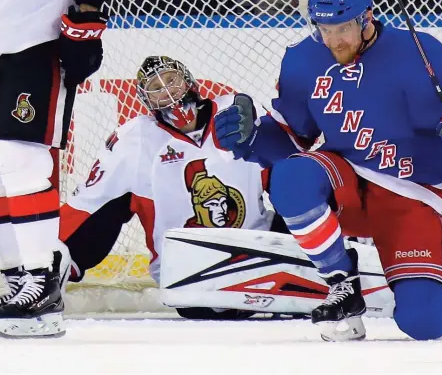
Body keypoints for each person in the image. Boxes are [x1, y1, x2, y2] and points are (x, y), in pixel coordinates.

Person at [214, 0, 442, 341]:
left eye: (342, 28)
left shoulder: (419, 51)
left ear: (367, 17)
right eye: (323, 28)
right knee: (290, 177)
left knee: (422, 320)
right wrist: (251, 138)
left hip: (411, 192)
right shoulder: (303, 59)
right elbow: (293, 138)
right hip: (345, 177)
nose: (332, 39)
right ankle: (342, 285)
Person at [0, 0, 123, 338]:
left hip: (37, 31)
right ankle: (14, 279)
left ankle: (42, 282)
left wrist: (87, 14)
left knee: (20, 157)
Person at [58, 56, 280, 320]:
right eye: (155, 88)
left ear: (188, 80)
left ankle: (332, 262)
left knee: (295, 177)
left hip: (262, 254)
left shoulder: (235, 114)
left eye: (171, 80)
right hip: (187, 276)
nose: (167, 91)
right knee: (111, 202)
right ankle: (51, 274)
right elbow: (89, 201)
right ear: (147, 101)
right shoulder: (137, 139)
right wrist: (43, 256)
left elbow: (286, 163)